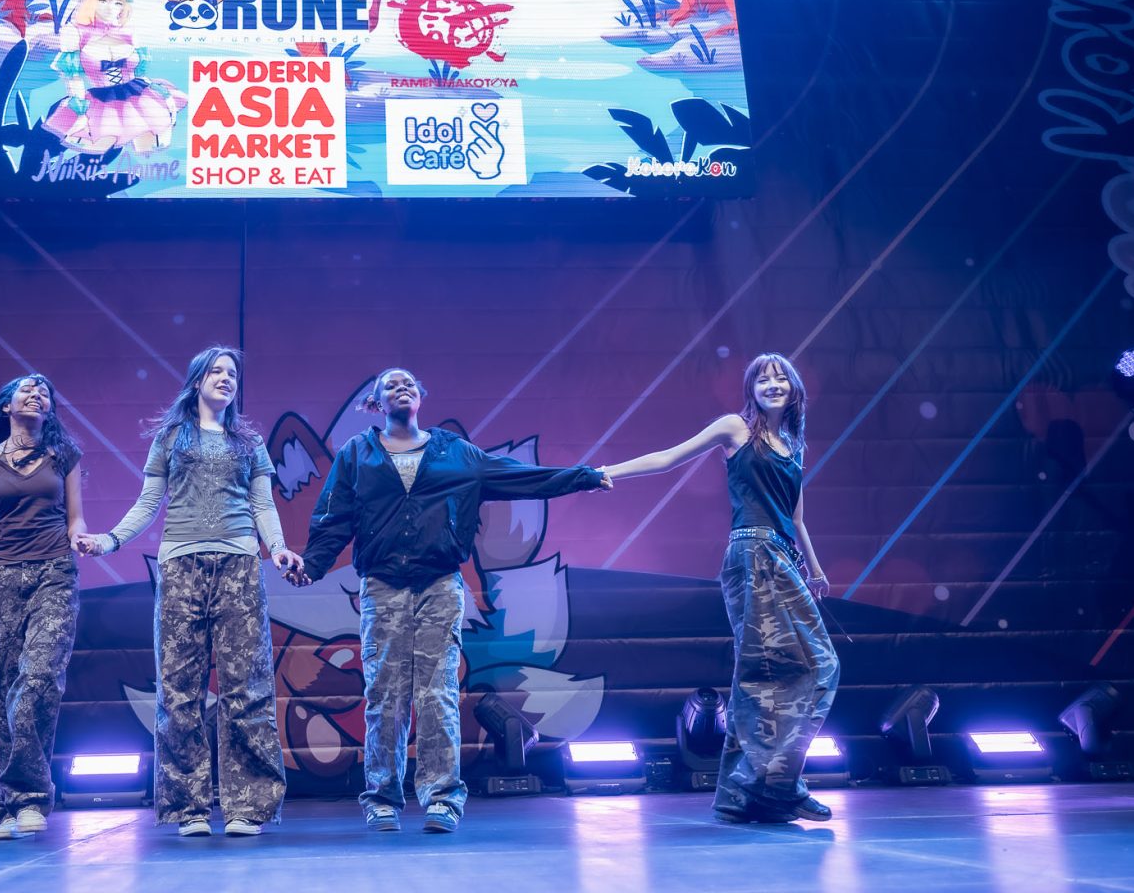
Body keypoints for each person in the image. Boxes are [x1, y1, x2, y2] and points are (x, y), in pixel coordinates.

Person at [290, 367, 611, 834]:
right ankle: (382, 799)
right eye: (390, 385)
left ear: (420, 397)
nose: (401, 387)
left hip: (439, 585)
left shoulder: (455, 453)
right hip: (382, 587)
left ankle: (442, 798)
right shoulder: (358, 454)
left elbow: (524, 478)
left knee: (437, 693)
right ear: (377, 403)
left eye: (408, 383)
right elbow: (332, 519)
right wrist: (311, 566)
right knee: (384, 696)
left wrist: (584, 477)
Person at [600, 352, 839, 824]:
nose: (773, 385)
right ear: (751, 390)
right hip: (751, 556)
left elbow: (796, 518)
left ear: (794, 389)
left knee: (799, 671)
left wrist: (815, 570)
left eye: (781, 378)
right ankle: (775, 786)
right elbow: (669, 457)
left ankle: (746, 792)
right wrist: (608, 472)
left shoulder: (793, 445)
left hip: (782, 559)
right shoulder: (736, 428)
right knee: (775, 674)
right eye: (763, 379)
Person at [75, 346, 303, 837]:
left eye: (232, 373)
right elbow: (148, 503)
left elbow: (263, 505)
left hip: (239, 565)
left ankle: (247, 808)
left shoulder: (249, 441)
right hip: (182, 567)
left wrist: (279, 547)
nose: (226, 378)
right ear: (197, 380)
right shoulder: (171, 438)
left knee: (247, 687)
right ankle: (188, 808)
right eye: (216, 371)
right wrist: (109, 540)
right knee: (179, 690)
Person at [0, 373, 86, 841]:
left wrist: (83, 539)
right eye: (26, 390)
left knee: (37, 681)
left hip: (54, 574)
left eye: (44, 393)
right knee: (3, 694)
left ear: (49, 410)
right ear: (7, 406)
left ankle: (31, 797)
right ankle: (11, 806)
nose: (36, 395)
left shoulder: (63, 456)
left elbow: (75, 519)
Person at [46, 0, 186, 154]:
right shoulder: (74, 32)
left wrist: (158, 91)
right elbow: (73, 78)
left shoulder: (129, 31)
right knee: (98, 149)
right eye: (103, 0)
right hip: (102, 101)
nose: (111, 7)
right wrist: (80, 112)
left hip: (141, 96)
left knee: (148, 148)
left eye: (118, 3)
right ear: (90, 0)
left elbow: (139, 72)